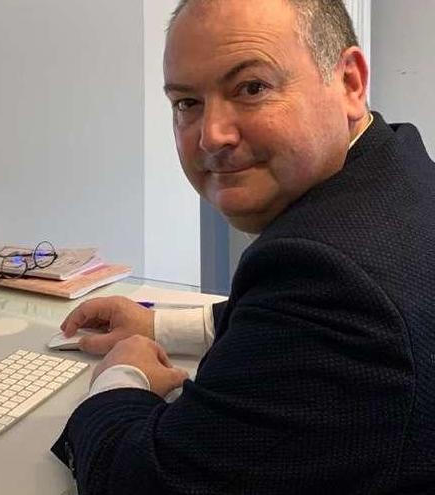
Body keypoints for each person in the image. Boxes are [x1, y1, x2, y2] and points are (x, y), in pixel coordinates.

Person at [51, 1, 435, 493]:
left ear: (349, 83)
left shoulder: (329, 275)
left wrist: (121, 377)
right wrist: (156, 326)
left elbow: (141, 480)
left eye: (252, 88)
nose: (212, 135)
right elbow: (283, 324)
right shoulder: (395, 170)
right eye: (187, 103)